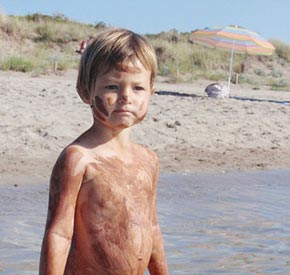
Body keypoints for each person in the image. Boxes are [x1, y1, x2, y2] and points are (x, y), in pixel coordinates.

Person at [39, 28, 169, 275]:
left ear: (152, 93)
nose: (126, 97)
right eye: (112, 86)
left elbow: (152, 227)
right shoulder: (79, 159)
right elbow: (58, 233)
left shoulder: (149, 160)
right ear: (86, 90)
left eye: (138, 88)